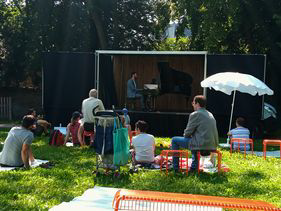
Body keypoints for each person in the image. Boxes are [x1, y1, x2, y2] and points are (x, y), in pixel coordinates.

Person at [171, 95, 219, 172]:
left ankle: (175, 168)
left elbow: (187, 132)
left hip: (201, 144)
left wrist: (186, 135)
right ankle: (194, 167)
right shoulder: (210, 114)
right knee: (194, 140)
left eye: (193, 103)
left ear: (197, 104)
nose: (192, 105)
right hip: (212, 145)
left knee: (174, 140)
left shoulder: (195, 114)